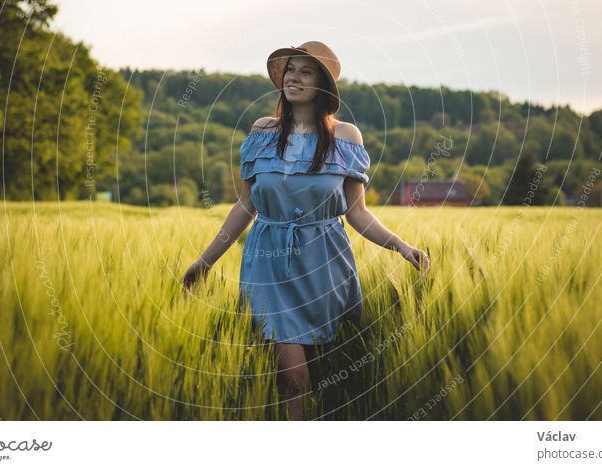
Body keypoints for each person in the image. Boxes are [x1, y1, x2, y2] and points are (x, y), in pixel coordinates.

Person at [182, 41, 430, 420]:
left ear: (323, 84)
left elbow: (358, 213)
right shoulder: (262, 131)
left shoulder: (346, 137)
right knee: (294, 377)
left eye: (306, 71)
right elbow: (246, 206)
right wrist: (205, 261)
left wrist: (401, 246)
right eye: (290, 70)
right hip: (269, 262)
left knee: (322, 368)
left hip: (323, 263)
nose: (293, 77)